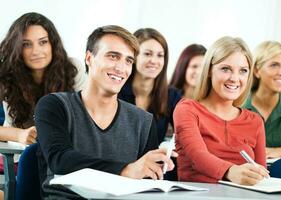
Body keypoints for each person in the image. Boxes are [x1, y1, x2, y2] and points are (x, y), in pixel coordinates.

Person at [35, 25, 175, 199]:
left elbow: (147, 183)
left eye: (128, 61)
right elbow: (60, 159)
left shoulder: (143, 121)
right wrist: (126, 169)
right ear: (89, 58)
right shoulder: (54, 105)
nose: (121, 68)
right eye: (113, 56)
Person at [174, 36, 269, 185]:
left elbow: (260, 175)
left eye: (243, 71)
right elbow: (198, 157)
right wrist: (231, 171)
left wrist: (257, 175)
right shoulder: (187, 109)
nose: (234, 78)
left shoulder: (255, 121)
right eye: (226, 69)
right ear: (210, 70)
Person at [0, 12, 86, 145]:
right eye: (26, 44)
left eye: (43, 42)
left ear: (53, 43)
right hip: (20, 152)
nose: (36, 51)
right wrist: (18, 134)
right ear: (16, 47)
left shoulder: (72, 68)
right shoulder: (7, 73)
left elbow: (88, 118)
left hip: (66, 149)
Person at [118, 28, 181, 144]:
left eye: (160, 55)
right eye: (147, 54)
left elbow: (184, 132)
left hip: (156, 161)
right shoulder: (117, 90)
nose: (154, 60)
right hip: (121, 161)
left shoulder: (172, 95)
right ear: (134, 57)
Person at [244, 41, 281, 159]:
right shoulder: (237, 106)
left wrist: (277, 151)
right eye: (274, 65)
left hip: (280, 175)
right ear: (256, 71)